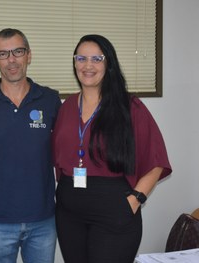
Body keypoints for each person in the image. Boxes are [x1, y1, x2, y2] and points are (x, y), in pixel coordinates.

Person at [52, 34, 172, 263]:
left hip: (114, 209)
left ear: (109, 64)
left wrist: (135, 200)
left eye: (97, 58)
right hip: (69, 213)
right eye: (81, 58)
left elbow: (156, 161)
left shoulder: (130, 106)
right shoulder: (66, 106)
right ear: (74, 62)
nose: (88, 65)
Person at [0, 28, 61, 263]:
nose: (11, 59)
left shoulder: (50, 99)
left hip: (43, 219)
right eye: (3, 54)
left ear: (29, 55)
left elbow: (70, 144)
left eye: (18, 51)